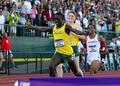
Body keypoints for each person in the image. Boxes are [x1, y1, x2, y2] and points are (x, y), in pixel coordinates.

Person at [29, 12, 87, 77]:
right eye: (55, 19)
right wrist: (33, 27)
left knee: (76, 72)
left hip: (69, 54)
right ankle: (54, 83)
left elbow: (75, 31)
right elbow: (43, 29)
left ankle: (82, 81)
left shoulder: (66, 27)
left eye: (57, 19)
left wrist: (85, 33)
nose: (55, 21)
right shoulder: (54, 27)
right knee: (51, 67)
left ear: (62, 20)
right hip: (59, 52)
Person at [56, 10, 83, 77]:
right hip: (63, 47)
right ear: (67, 17)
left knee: (76, 69)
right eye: (69, 16)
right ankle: (60, 82)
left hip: (73, 48)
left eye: (72, 16)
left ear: (75, 18)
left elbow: (83, 37)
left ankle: (83, 82)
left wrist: (73, 33)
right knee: (58, 65)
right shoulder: (63, 25)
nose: (70, 17)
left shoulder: (77, 26)